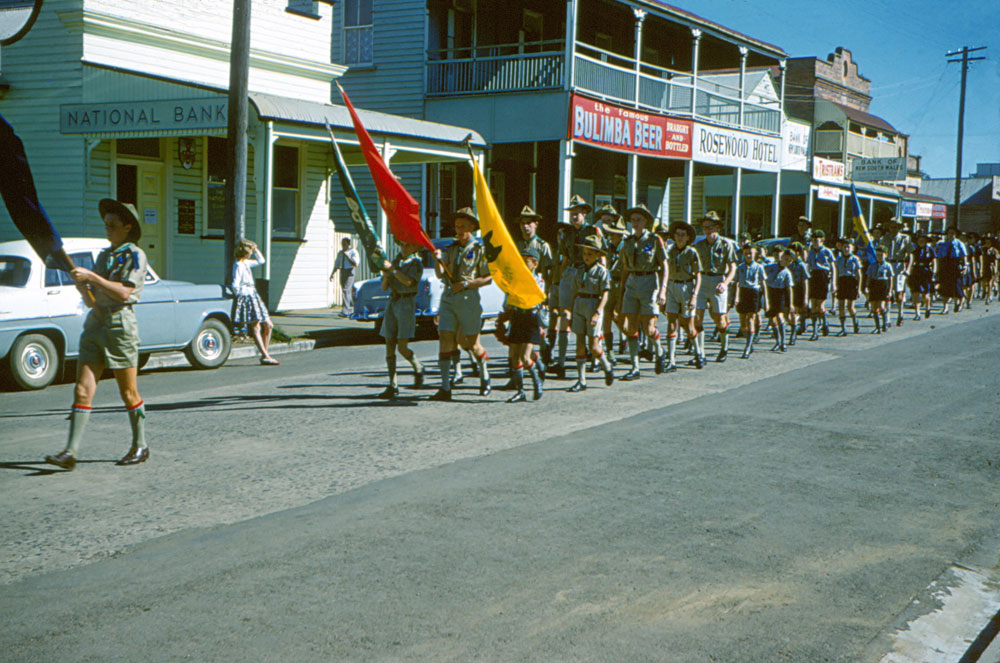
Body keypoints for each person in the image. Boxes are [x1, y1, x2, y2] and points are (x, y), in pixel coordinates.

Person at [45, 199, 150, 470]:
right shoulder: (105, 256)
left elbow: (125, 292)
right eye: (106, 225)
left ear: (128, 227)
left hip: (120, 325)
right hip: (96, 323)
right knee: (82, 389)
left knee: (128, 391)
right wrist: (82, 285)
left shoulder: (135, 255)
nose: (108, 229)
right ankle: (70, 451)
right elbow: (93, 300)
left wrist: (92, 277)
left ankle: (140, 445)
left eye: (113, 225)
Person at [430, 207, 493, 401]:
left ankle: (485, 377)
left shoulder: (479, 249)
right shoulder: (452, 248)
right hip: (449, 297)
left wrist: (466, 283)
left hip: (468, 298)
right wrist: (437, 260)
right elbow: (441, 274)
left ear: (472, 227)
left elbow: (488, 278)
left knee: (471, 344)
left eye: (463, 226)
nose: (459, 230)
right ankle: (445, 387)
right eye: (457, 226)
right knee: (445, 338)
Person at [552, 195, 602, 378]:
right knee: (564, 315)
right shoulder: (567, 233)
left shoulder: (593, 230)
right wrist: (558, 281)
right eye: (572, 213)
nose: (574, 216)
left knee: (590, 316)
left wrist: (602, 277)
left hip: (588, 274)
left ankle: (596, 359)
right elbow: (564, 259)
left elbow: (601, 255)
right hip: (571, 272)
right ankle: (561, 362)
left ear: (585, 213)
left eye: (578, 213)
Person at [618, 203, 668, 380]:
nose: (635, 223)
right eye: (632, 220)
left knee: (649, 327)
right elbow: (625, 268)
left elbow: (664, 265)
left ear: (646, 221)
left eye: (638, 220)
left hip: (649, 281)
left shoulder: (654, 240)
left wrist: (663, 290)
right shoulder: (628, 242)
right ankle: (635, 367)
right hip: (632, 282)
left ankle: (659, 351)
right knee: (631, 328)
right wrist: (622, 290)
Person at [377, 240, 426, 399]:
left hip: (406, 302)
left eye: (408, 245)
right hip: (393, 301)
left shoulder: (416, 263)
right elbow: (384, 287)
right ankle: (393, 384)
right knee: (389, 343)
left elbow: (409, 281)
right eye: (402, 245)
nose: (404, 248)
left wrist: (393, 270)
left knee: (402, 347)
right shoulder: (396, 261)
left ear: (415, 247)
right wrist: (386, 274)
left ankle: (418, 367)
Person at [568, 235, 614, 392]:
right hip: (579, 304)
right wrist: (571, 309)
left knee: (593, 345)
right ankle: (581, 380)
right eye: (585, 254)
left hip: (593, 305)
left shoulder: (602, 272)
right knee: (579, 343)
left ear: (597, 255)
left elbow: (605, 294)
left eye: (590, 254)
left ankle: (606, 365)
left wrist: (598, 312)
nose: (586, 257)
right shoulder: (579, 271)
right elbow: (575, 290)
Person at [693, 211, 738, 366]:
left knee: (719, 318)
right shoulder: (698, 246)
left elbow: (733, 267)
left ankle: (724, 348)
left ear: (717, 227)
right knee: (697, 317)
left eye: (710, 226)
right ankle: (700, 353)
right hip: (702, 280)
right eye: (704, 227)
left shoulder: (726, 245)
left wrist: (725, 283)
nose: (707, 230)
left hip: (718, 280)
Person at [503, 246, 546, 403]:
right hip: (518, 317)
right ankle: (520, 391)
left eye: (526, 261)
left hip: (530, 318)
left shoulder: (538, 280)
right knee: (515, 356)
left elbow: (536, 298)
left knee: (525, 357)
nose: (522, 263)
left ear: (535, 263)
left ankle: (537, 382)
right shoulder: (516, 279)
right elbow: (508, 298)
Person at [232, 239, 279, 366]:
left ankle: (265, 353)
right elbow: (235, 284)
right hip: (246, 294)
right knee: (256, 326)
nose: (251, 253)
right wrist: (241, 298)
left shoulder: (246, 263)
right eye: (250, 251)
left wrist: (256, 249)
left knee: (268, 325)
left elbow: (261, 261)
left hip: (253, 293)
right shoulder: (239, 265)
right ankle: (265, 355)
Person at [662, 221, 701, 373]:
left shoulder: (692, 253)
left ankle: (698, 353)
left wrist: (694, 296)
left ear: (687, 238)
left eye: (682, 235)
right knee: (671, 322)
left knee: (688, 325)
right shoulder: (668, 251)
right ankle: (671, 360)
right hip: (672, 286)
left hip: (686, 286)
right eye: (677, 234)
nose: (679, 238)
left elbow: (698, 275)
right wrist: (663, 291)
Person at [597, 204, 627, 364]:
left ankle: (634, 340)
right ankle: (609, 351)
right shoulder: (607, 246)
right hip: (610, 283)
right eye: (610, 234)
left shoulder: (626, 246)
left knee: (622, 319)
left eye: (615, 234)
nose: (612, 236)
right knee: (607, 316)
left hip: (623, 285)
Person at [734, 245, 766, 359]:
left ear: (755, 254)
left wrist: (766, 300)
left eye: (751, 253)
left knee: (751, 319)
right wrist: (735, 297)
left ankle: (747, 347)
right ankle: (749, 340)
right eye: (746, 253)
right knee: (743, 323)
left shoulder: (759, 267)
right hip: (743, 292)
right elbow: (736, 283)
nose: (748, 255)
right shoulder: (740, 267)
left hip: (754, 293)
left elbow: (763, 283)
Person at [805, 230, 837, 340]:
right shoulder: (811, 252)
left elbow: (833, 267)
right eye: (813, 240)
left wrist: (833, 283)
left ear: (822, 240)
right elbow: (808, 265)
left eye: (816, 240)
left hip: (823, 277)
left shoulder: (827, 251)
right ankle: (814, 331)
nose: (814, 243)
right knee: (813, 305)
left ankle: (825, 323)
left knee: (820, 305)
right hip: (813, 277)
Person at [880, 218, 911, 326]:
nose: (894, 229)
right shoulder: (884, 238)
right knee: (887, 292)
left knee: (899, 293)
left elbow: (911, 254)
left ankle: (900, 314)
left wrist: (908, 269)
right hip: (888, 265)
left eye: (896, 226)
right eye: (892, 226)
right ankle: (887, 318)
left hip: (899, 265)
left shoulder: (905, 238)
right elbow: (881, 251)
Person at [764, 249, 794, 352]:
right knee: (772, 320)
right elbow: (762, 277)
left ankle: (783, 342)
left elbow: (789, 289)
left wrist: (790, 304)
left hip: (780, 294)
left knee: (781, 318)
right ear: (781, 257)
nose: (787, 262)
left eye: (789, 261)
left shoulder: (787, 273)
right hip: (770, 293)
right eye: (786, 259)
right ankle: (777, 341)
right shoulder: (769, 267)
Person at [935, 226, 968, 314]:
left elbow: (964, 255)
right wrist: (938, 269)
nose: (951, 235)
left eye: (953, 233)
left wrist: (965, 266)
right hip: (946, 266)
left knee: (956, 286)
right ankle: (945, 308)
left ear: (956, 234)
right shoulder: (943, 244)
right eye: (949, 233)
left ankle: (959, 303)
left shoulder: (959, 243)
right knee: (945, 287)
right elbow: (939, 257)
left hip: (955, 266)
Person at [834, 238, 862, 336]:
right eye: (844, 247)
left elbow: (859, 275)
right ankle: (843, 328)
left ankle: (855, 321)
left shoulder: (855, 259)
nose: (846, 249)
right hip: (842, 282)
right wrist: (835, 285)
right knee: (841, 306)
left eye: (848, 247)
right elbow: (836, 273)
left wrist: (859, 289)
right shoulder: (839, 259)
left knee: (850, 307)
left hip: (851, 282)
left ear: (852, 248)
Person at [908, 232, 936, 319]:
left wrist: (934, 272)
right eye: (919, 240)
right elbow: (911, 260)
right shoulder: (914, 250)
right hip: (916, 271)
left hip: (926, 272)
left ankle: (927, 307)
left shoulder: (930, 249)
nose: (921, 241)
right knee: (916, 293)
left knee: (925, 295)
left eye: (923, 240)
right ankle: (917, 313)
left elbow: (934, 261)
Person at [866, 246, 894, 333]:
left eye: (881, 255)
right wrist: (866, 287)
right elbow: (869, 277)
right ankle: (877, 327)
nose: (879, 257)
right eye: (878, 255)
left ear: (885, 255)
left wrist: (890, 290)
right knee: (874, 307)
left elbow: (891, 278)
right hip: (874, 285)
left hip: (883, 285)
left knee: (881, 306)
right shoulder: (872, 265)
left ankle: (885, 322)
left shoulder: (887, 265)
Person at [330, 237, 360, 317]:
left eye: (345, 244)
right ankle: (351, 308)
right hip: (342, 270)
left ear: (348, 244)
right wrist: (332, 273)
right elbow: (337, 263)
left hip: (350, 271)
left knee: (346, 290)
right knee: (346, 291)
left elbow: (355, 264)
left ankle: (345, 310)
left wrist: (347, 256)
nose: (343, 245)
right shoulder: (340, 253)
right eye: (342, 244)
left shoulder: (353, 251)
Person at [788, 242, 809, 345]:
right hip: (792, 289)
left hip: (800, 288)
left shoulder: (801, 265)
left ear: (798, 253)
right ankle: (794, 331)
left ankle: (799, 328)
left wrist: (805, 296)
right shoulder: (790, 265)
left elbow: (805, 281)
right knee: (793, 312)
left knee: (800, 310)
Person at [982, 237, 998, 305]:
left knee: (989, 283)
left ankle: (988, 297)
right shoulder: (983, 249)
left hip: (991, 268)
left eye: (988, 242)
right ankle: (994, 286)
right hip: (984, 267)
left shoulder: (994, 251)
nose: (987, 244)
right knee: (985, 283)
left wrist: (995, 269)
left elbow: (996, 261)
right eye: (986, 242)